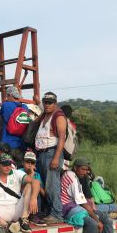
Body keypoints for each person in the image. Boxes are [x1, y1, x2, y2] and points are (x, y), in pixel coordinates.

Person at [35, 92, 67, 224]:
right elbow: (42, 108)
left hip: (52, 153)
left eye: (50, 102)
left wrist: (56, 157)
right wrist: (37, 101)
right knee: (45, 186)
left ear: (55, 104)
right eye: (45, 102)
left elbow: (62, 138)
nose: (47, 104)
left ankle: (57, 214)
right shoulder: (46, 114)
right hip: (42, 153)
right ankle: (49, 212)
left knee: (52, 186)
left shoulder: (58, 116)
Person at [0, 86, 28, 166]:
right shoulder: (25, 107)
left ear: (10, 95)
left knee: (7, 169)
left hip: (8, 144)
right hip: (21, 144)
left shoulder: (5, 105)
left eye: (7, 96)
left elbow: (2, 115)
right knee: (20, 170)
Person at [19, 151, 46, 226]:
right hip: (21, 198)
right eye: (27, 162)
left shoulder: (37, 174)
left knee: (36, 191)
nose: (30, 164)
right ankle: (29, 216)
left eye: (32, 162)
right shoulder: (19, 172)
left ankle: (35, 215)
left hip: (33, 200)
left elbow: (43, 194)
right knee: (30, 185)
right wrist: (31, 176)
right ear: (23, 162)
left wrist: (34, 176)